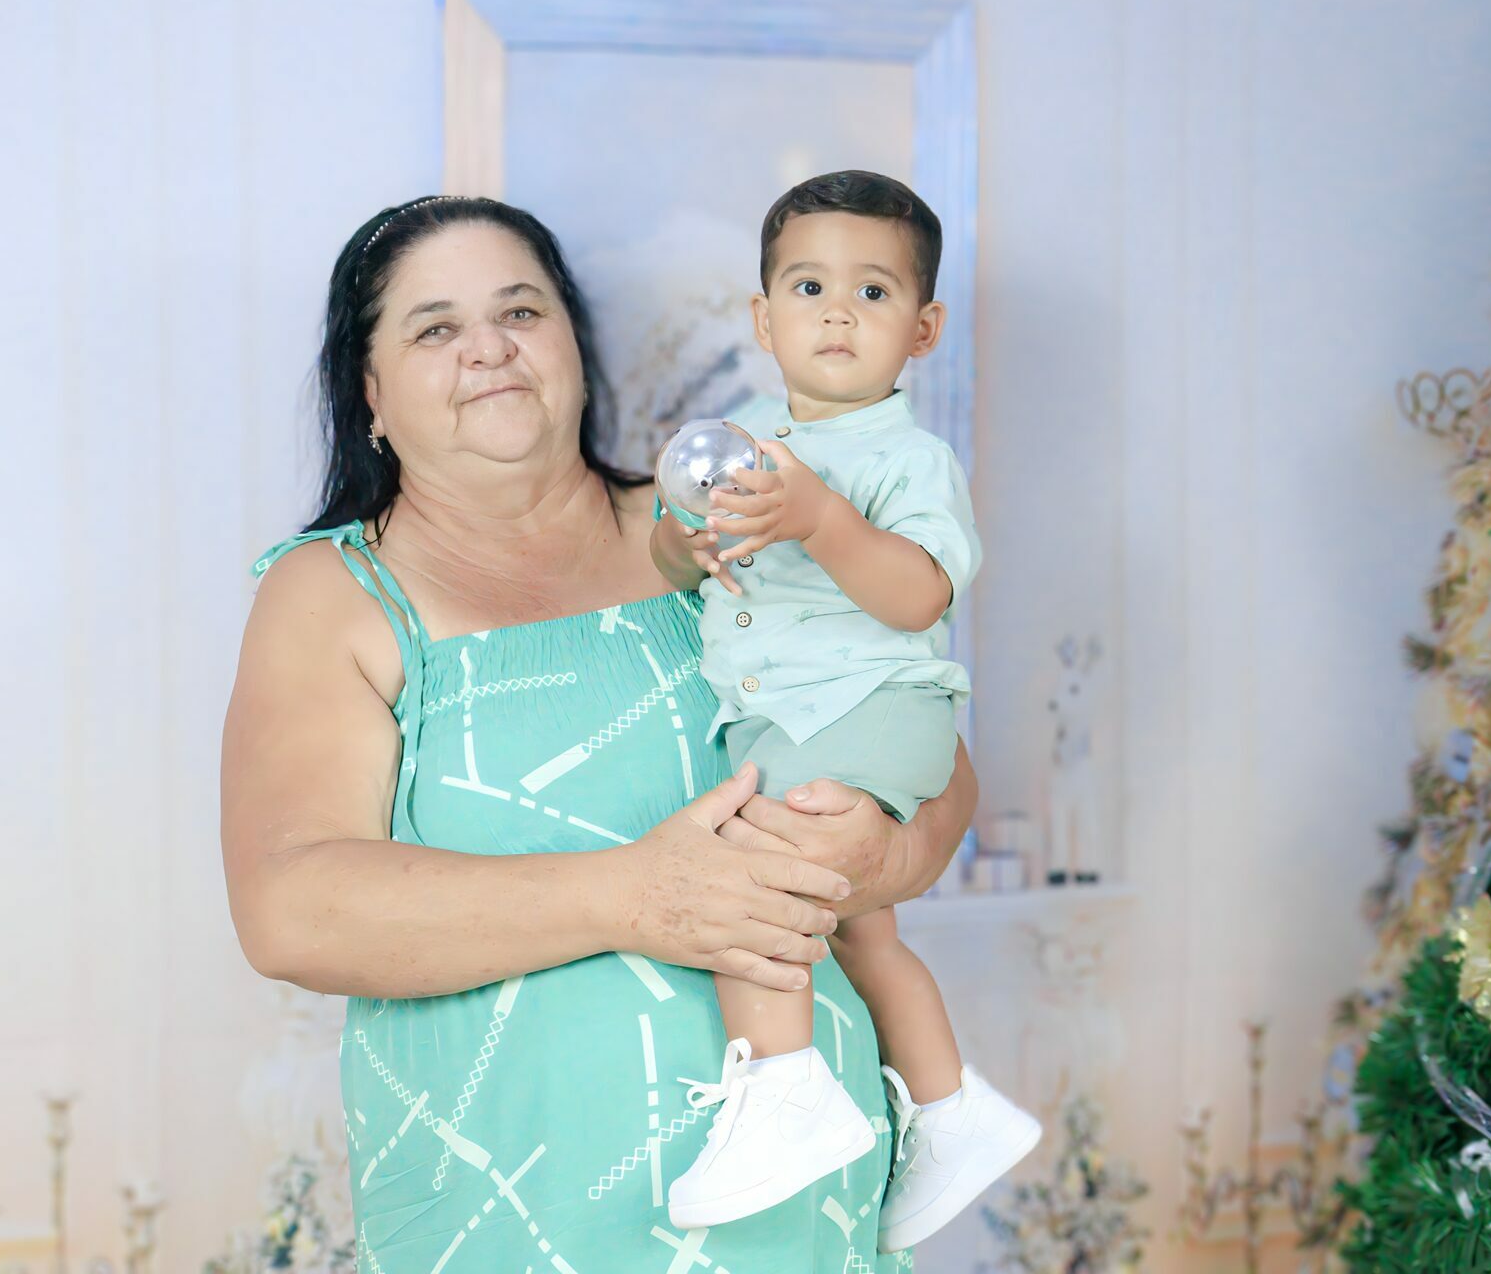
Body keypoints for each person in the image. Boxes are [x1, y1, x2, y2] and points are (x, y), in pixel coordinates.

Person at [220, 194, 977, 1271]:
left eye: (520, 311)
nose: (488, 348)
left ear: (573, 344)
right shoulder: (332, 593)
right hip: (518, 1224)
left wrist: (887, 855)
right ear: (371, 392)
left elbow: (924, 743)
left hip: (806, 1220)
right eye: (435, 328)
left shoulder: (719, 527)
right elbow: (290, 910)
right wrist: (635, 895)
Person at [651, 170, 1039, 1251]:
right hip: (800, 716)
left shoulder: (909, 459)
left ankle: (784, 1090)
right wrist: (681, 539)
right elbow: (673, 564)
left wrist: (822, 519)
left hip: (866, 706)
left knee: (744, 886)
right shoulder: (744, 444)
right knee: (864, 928)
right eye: (809, 287)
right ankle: (954, 1110)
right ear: (762, 316)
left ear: (923, 330)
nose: (836, 313)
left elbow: (920, 596)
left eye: (872, 292)